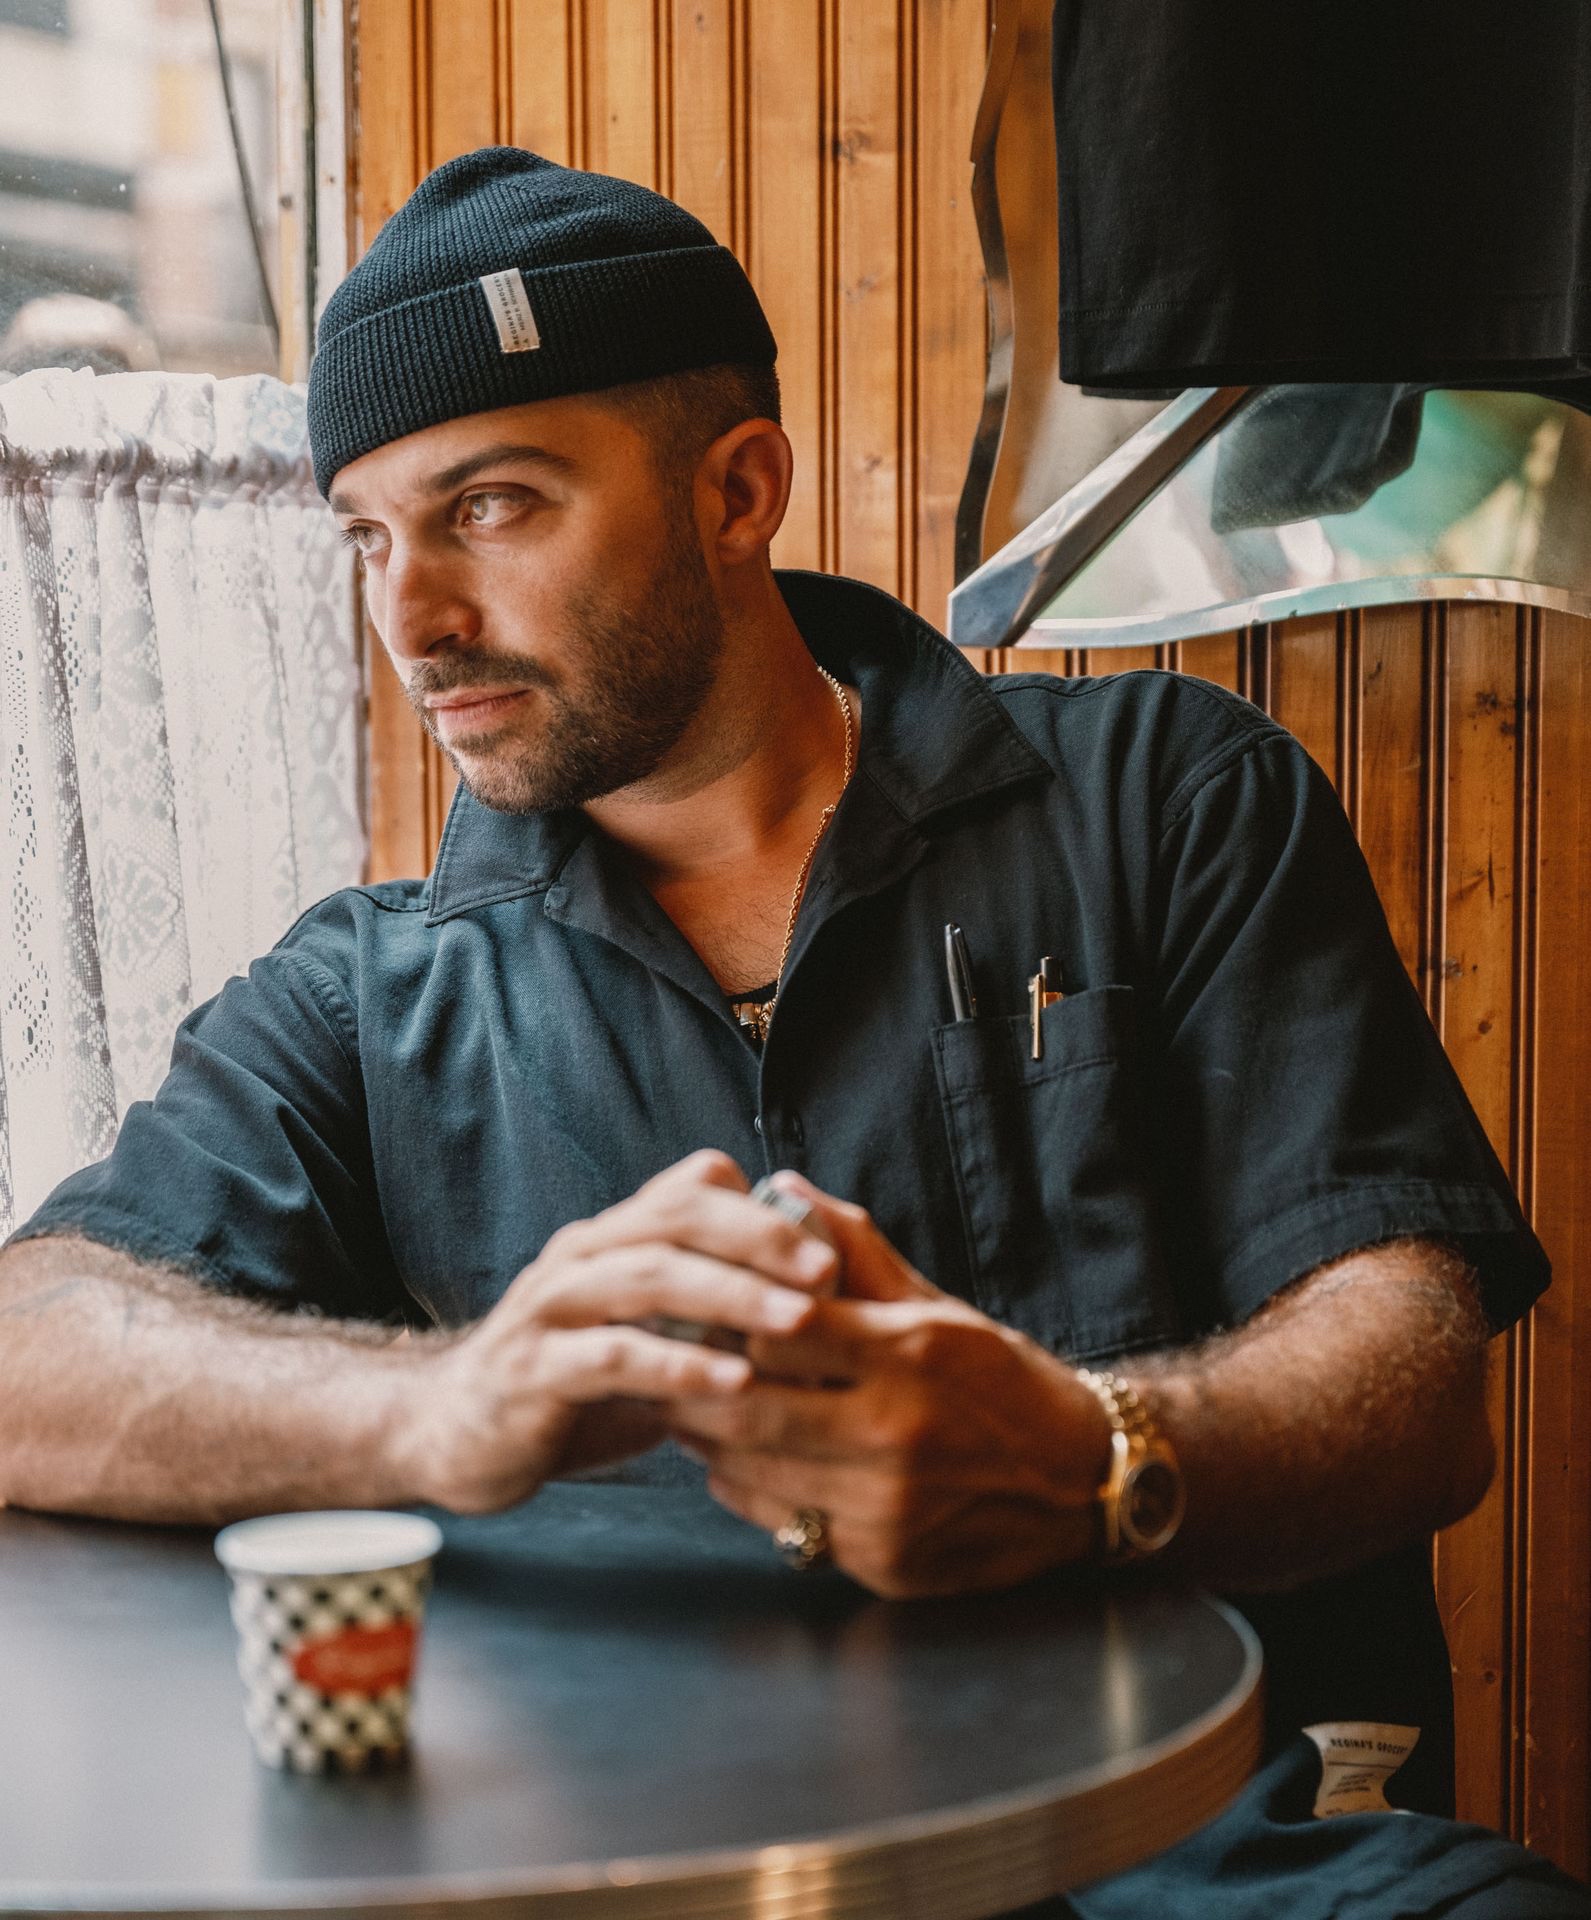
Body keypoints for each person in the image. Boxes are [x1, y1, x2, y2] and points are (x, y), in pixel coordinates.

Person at [0, 148, 1584, 1917]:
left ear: (736, 488)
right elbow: (28, 1353)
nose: (413, 620)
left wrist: (1090, 1458)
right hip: (636, 1861)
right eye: (368, 535)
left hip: (1206, 1849)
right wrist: (440, 1405)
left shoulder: (1168, 801)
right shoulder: (365, 997)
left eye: (493, 506)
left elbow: (1421, 1388)